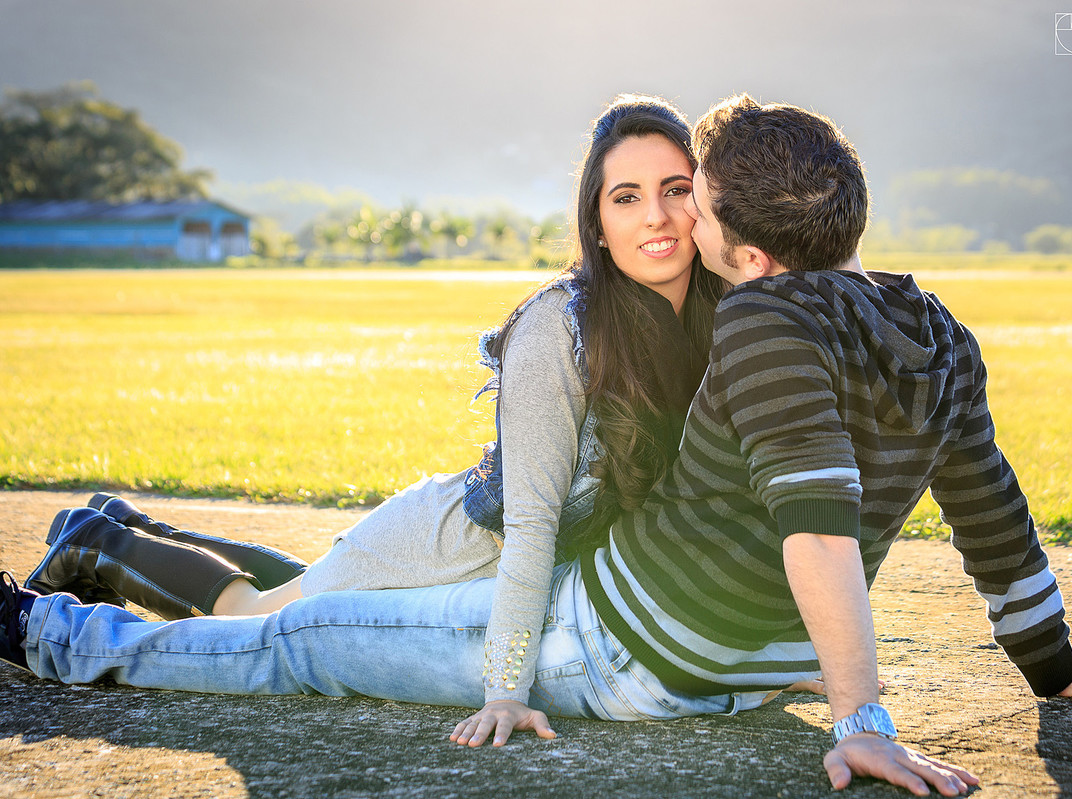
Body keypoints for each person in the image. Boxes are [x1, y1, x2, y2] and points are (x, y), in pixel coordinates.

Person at [1, 95, 1072, 796]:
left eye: (690, 195)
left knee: (294, 638)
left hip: (615, 629)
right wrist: (1040, 671)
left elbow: (863, 511)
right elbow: (979, 502)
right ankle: (85, 573)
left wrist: (902, 706)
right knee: (296, 618)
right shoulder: (919, 323)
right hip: (515, 561)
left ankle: (67, 593)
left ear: (732, 228)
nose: (671, 218)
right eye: (635, 197)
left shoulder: (761, 318)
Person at [17, 93, 726, 731]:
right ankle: (98, 544)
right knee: (260, 615)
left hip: (478, 557)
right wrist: (505, 688)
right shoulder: (562, 326)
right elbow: (533, 527)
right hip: (447, 551)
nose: (656, 216)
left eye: (673, 190)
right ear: (597, 225)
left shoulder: (720, 317)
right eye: (626, 197)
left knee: (296, 581)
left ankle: (129, 529)